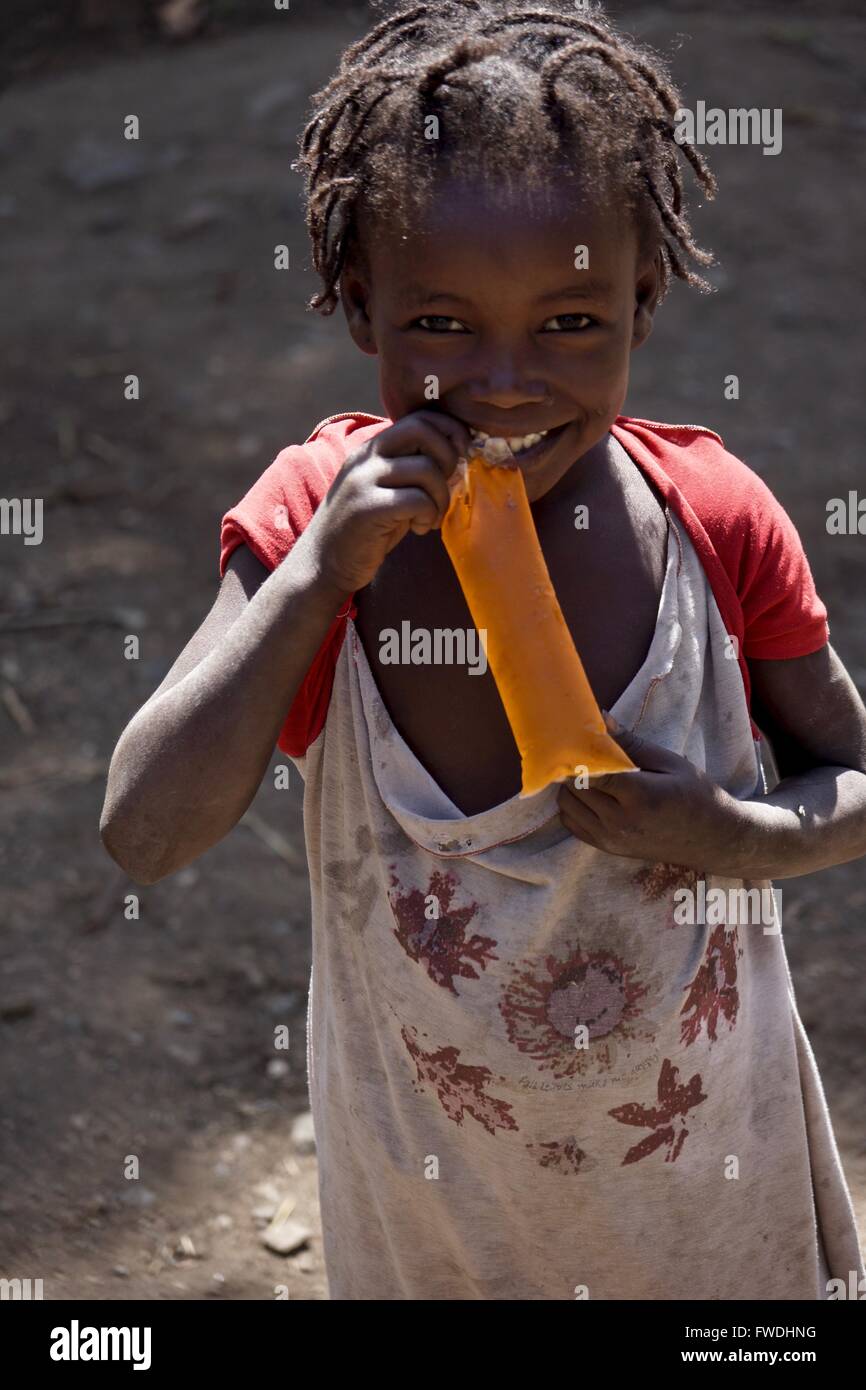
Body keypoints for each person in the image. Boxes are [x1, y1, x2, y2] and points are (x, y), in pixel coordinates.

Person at [101, 0, 866, 1299]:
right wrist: (312, 581)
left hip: (698, 1194)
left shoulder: (712, 520)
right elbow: (144, 831)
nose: (506, 382)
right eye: (442, 326)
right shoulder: (312, 522)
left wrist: (744, 838)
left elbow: (850, 779)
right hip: (434, 1202)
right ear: (359, 308)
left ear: (642, 300)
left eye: (571, 323)